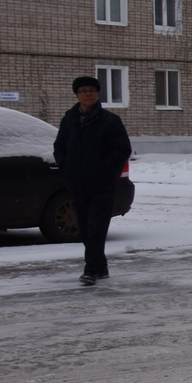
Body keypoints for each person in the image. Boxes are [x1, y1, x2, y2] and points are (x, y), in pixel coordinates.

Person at [53, 75, 131, 286]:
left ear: (97, 94)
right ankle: (100, 267)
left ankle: (90, 270)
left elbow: (122, 149)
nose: (87, 94)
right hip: (77, 183)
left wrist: (103, 167)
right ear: (77, 95)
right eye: (83, 91)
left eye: (92, 90)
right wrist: (65, 165)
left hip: (102, 184)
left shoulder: (110, 120)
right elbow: (59, 146)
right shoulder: (69, 119)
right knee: (86, 227)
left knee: (97, 227)